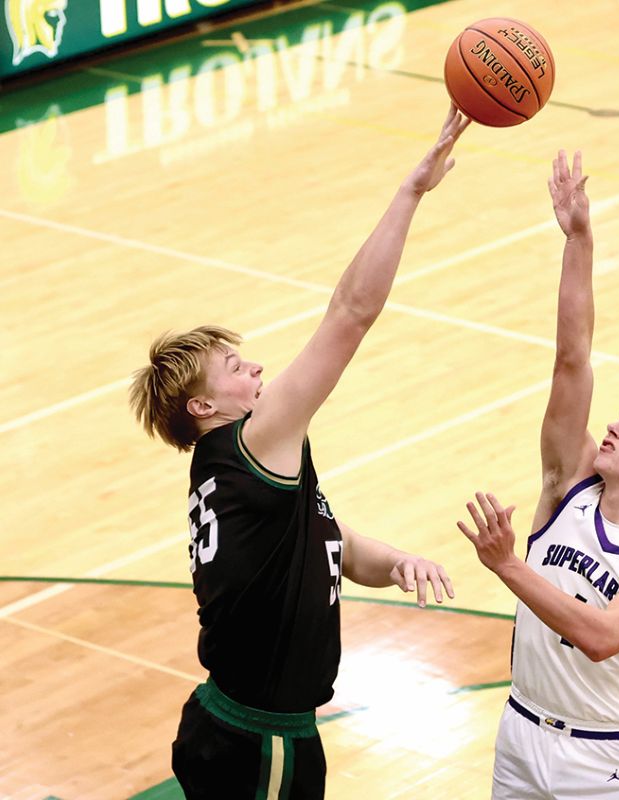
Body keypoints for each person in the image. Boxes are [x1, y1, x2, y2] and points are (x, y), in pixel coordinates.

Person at [129, 105, 469, 800]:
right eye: (234, 367)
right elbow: (350, 313)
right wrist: (411, 191)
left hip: (235, 727)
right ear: (203, 406)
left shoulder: (239, 473)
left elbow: (325, 541)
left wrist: (394, 560)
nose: (256, 371)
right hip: (262, 741)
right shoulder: (249, 441)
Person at [457, 150, 619, 800]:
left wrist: (508, 566)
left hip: (601, 764)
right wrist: (577, 237)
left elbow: (600, 637)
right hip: (518, 734)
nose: (612, 427)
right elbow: (571, 360)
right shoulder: (565, 484)